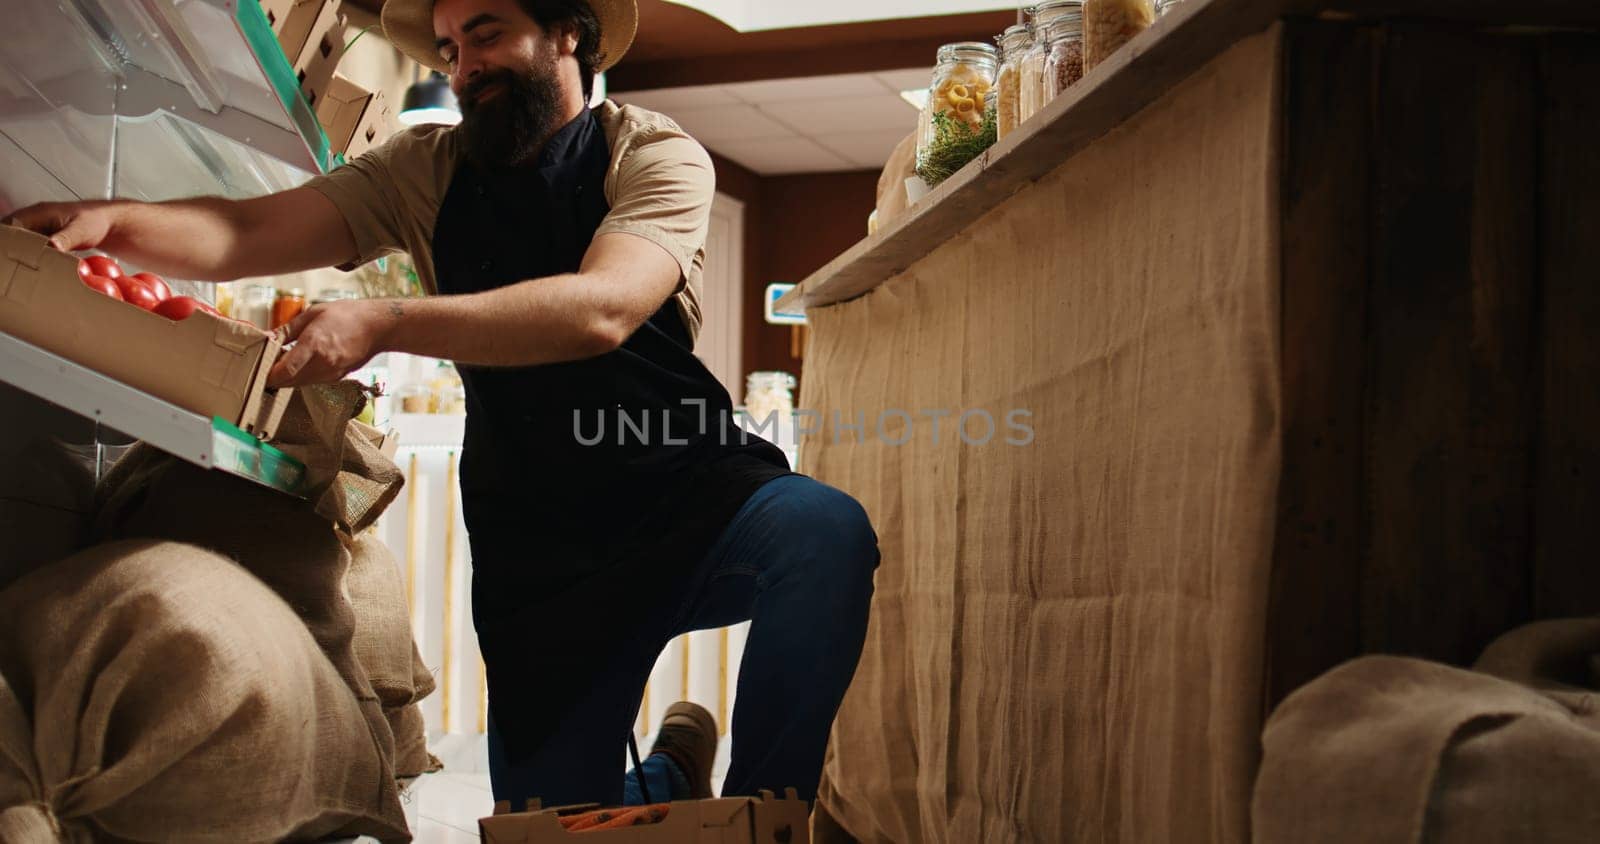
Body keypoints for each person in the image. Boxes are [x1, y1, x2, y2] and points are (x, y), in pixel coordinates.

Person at [3, 0, 879, 810]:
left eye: (489, 35)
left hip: (692, 495)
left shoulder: (652, 153)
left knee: (824, 532)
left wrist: (384, 321)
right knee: (553, 827)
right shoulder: (423, 171)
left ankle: (767, 817)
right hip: (542, 544)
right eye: (452, 49)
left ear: (569, 31)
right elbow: (246, 231)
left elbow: (603, 308)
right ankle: (670, 771)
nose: (464, 69)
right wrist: (106, 220)